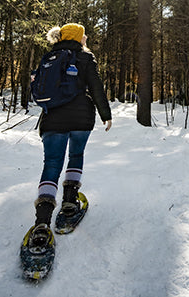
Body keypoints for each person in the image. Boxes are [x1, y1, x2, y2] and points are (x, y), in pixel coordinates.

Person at [29, 23, 112, 244]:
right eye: (83, 35)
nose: (86, 38)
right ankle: (69, 202)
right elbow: (96, 88)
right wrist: (106, 114)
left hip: (53, 118)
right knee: (75, 157)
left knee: (52, 164)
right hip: (81, 118)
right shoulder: (86, 58)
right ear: (77, 38)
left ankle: (42, 222)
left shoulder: (49, 57)